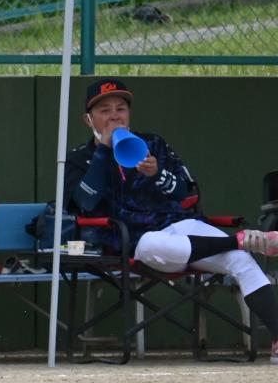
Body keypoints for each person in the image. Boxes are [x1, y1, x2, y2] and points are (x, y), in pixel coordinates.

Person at [63, 77, 277, 362]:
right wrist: (104, 151)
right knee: (155, 244)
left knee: (241, 261)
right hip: (133, 240)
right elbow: (83, 204)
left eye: (121, 108)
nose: (115, 116)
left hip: (181, 225)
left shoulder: (152, 143)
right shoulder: (81, 157)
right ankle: (238, 241)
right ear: (88, 119)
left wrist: (157, 174)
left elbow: (189, 194)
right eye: (104, 110)